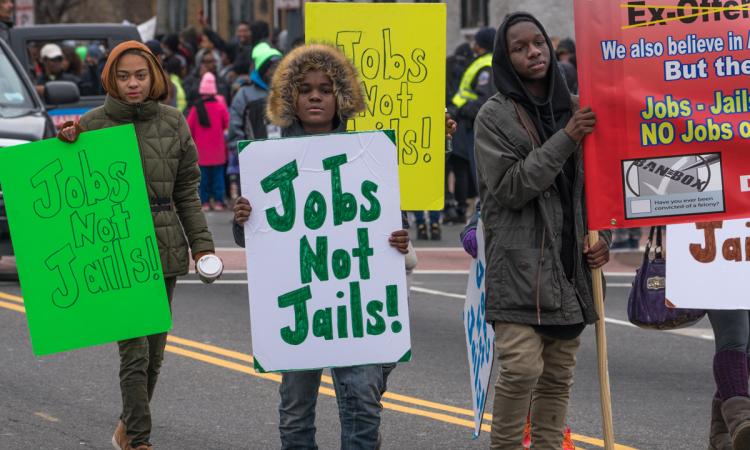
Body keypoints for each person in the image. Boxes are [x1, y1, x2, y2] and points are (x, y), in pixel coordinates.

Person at [231, 43, 410, 450]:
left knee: (364, 399)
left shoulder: (369, 155)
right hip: (300, 309)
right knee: (295, 409)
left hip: (354, 304)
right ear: (289, 98)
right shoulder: (268, 160)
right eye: (306, 89)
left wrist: (399, 237)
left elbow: (389, 223)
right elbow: (253, 240)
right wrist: (244, 217)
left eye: (325, 89)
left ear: (341, 98)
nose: (315, 96)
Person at [57, 40, 217, 450]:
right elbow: (70, 190)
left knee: (155, 354)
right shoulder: (91, 124)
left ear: (155, 77)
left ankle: (126, 427)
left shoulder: (174, 122)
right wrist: (66, 144)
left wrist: (202, 247)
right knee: (135, 353)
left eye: (140, 76)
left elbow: (187, 193)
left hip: (163, 248)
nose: (133, 84)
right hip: (117, 249)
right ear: (111, 77)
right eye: (124, 76)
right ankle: (139, 441)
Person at [474, 13, 610, 449]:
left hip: (570, 269)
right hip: (518, 270)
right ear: (506, 58)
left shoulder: (577, 107)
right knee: (521, 369)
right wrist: (566, 138)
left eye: (539, 43)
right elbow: (512, 187)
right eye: (520, 47)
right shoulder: (493, 117)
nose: (533, 52)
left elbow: (597, 190)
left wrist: (601, 238)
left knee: (556, 378)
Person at [447, 27, 496, 224]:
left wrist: (461, 110)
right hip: (469, 123)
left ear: (481, 44)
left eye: (476, 41)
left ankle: (486, 215)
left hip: (475, 125)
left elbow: (484, 99)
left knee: (480, 173)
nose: (472, 45)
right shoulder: (484, 63)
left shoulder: (486, 66)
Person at [226, 42, 282, 200]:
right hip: (253, 165)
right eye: (271, 67)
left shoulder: (287, 93)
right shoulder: (244, 95)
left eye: (279, 67)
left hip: (284, 164)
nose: (275, 72)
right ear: (262, 70)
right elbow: (235, 129)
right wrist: (244, 156)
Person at [707, 310, 750, 450]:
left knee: (746, 348)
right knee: (733, 339)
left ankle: (721, 435)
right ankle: (740, 419)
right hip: (723, 288)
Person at [187, 72, 230, 211]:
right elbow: (227, 124)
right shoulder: (220, 107)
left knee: (203, 179)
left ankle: (204, 202)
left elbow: (189, 128)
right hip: (218, 151)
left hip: (201, 152)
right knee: (218, 179)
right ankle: (218, 202)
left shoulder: (195, 108)